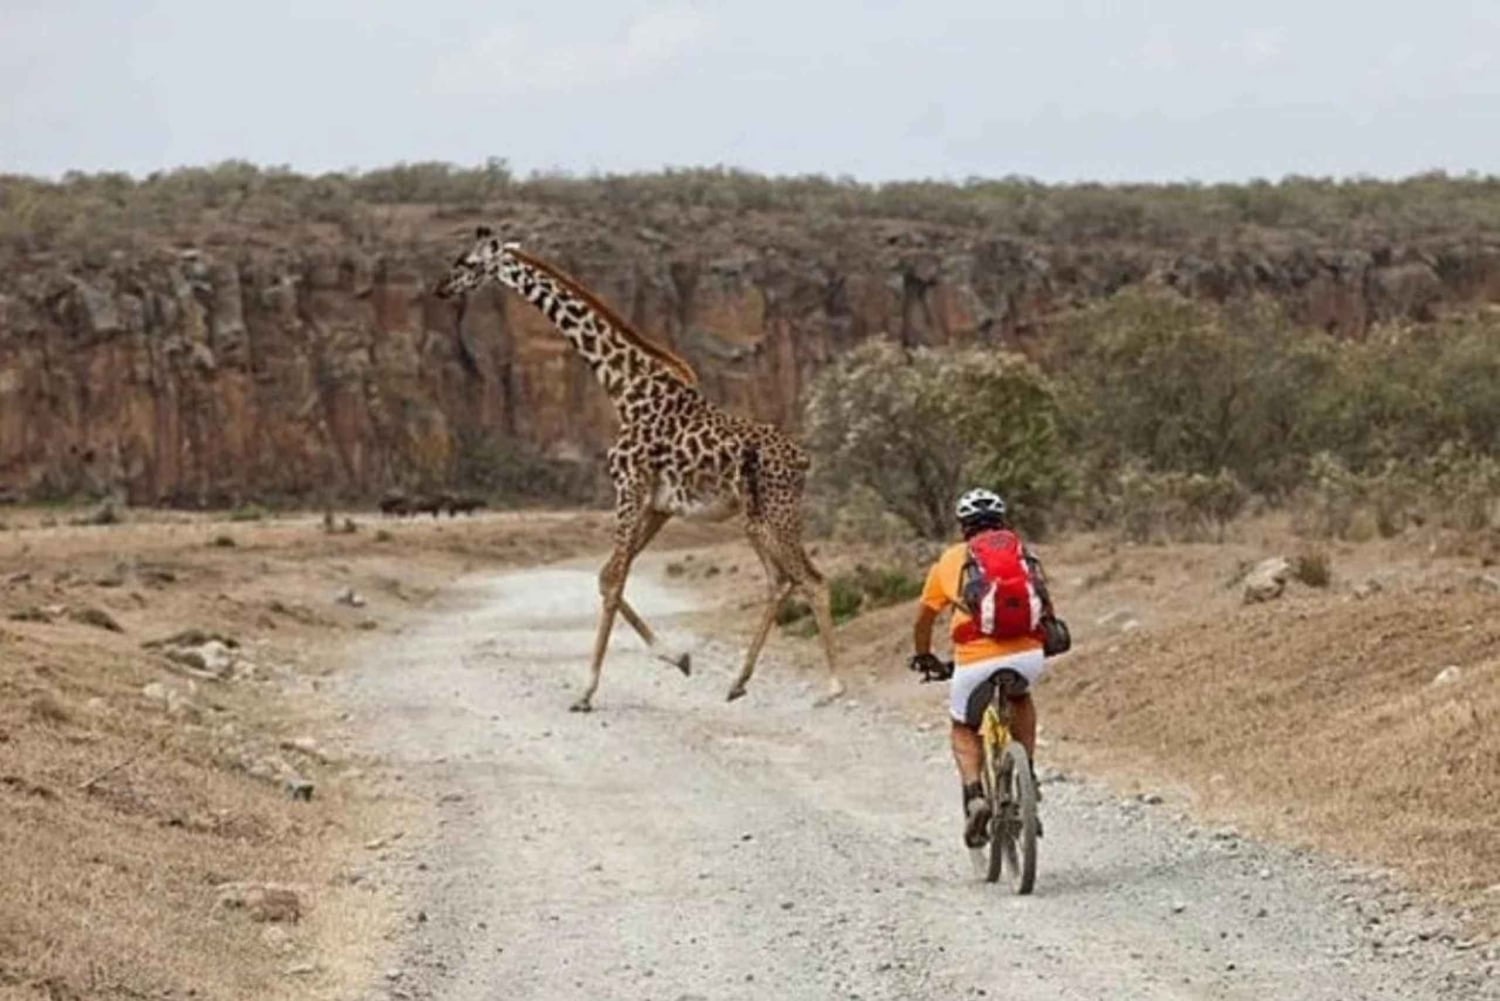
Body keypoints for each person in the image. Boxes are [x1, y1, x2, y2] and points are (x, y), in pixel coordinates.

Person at [909, 488, 1060, 849]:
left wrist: (924, 655)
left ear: (963, 526)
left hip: (975, 660)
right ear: (1002, 521)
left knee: (963, 726)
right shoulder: (1021, 552)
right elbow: (1043, 602)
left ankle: (975, 794)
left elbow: (924, 619)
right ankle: (1027, 775)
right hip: (1027, 655)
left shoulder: (950, 560)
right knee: (1020, 697)